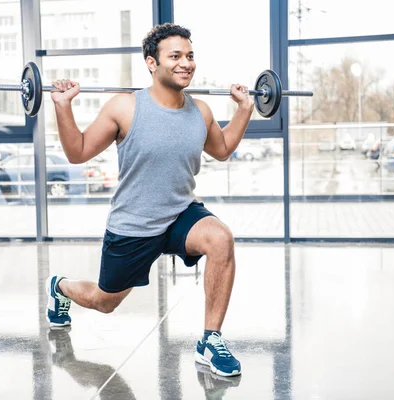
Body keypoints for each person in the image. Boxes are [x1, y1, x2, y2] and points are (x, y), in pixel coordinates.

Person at [45, 23, 254, 377]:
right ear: (151, 63)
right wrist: (63, 107)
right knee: (104, 302)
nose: (185, 63)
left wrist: (245, 109)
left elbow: (221, 149)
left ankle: (210, 340)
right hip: (134, 223)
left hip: (179, 214)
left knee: (221, 238)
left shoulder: (200, 111)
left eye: (189, 56)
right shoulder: (124, 107)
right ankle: (60, 287)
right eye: (174, 56)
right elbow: (78, 152)